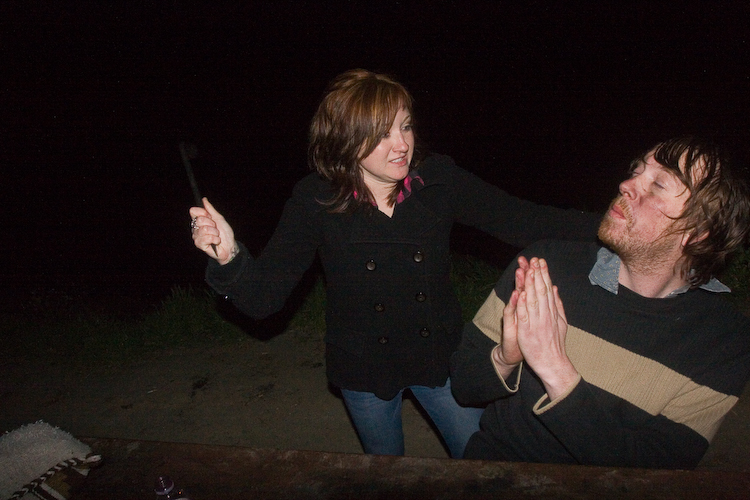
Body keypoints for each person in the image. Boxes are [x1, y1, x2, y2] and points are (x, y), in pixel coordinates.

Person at [189, 69, 599, 458]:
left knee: (482, 457)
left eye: (405, 126)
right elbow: (263, 298)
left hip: (439, 357)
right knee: (386, 467)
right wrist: (230, 256)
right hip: (364, 367)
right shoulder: (316, 200)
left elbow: (523, 219)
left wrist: (610, 227)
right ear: (346, 140)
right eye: (381, 134)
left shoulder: (438, 181)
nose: (401, 144)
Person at [450, 136, 750, 468]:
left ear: (699, 231)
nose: (626, 185)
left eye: (658, 185)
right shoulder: (546, 268)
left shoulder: (725, 341)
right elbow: (464, 387)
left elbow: (661, 472)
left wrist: (557, 372)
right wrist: (505, 358)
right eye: (636, 171)